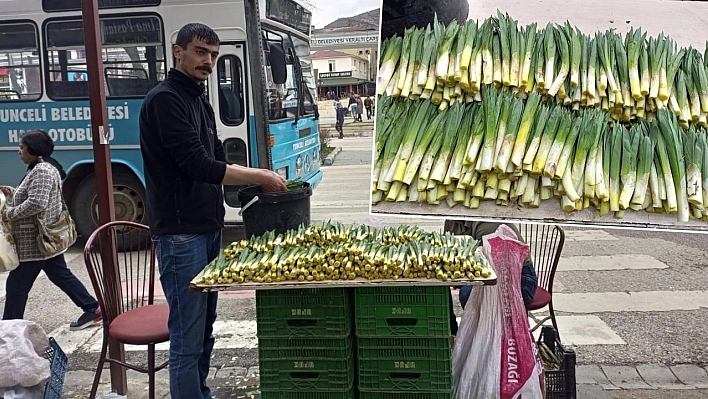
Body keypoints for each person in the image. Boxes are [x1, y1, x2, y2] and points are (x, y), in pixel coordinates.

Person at [139, 23, 286, 398]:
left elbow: (217, 155)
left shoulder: (198, 97)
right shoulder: (165, 99)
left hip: (207, 228)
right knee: (187, 337)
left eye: (214, 55)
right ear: (178, 51)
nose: (208, 61)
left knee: (205, 328)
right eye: (201, 51)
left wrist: (252, 184)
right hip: (180, 233)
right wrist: (259, 175)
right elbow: (196, 164)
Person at [0, 130, 101, 330]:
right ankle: (92, 308)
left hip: (36, 242)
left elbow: (37, 202)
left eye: (22, 147)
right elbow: (33, 195)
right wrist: (13, 192)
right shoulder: (38, 168)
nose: (19, 151)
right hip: (43, 241)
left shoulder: (43, 171)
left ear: (34, 149)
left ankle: (9, 330)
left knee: (16, 287)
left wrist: (9, 214)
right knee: (59, 274)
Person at [444, 220, 538, 336]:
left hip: (520, 281)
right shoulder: (451, 219)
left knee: (466, 294)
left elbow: (486, 272)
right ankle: (452, 334)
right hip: (486, 275)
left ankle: (488, 338)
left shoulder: (486, 224)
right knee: (439, 289)